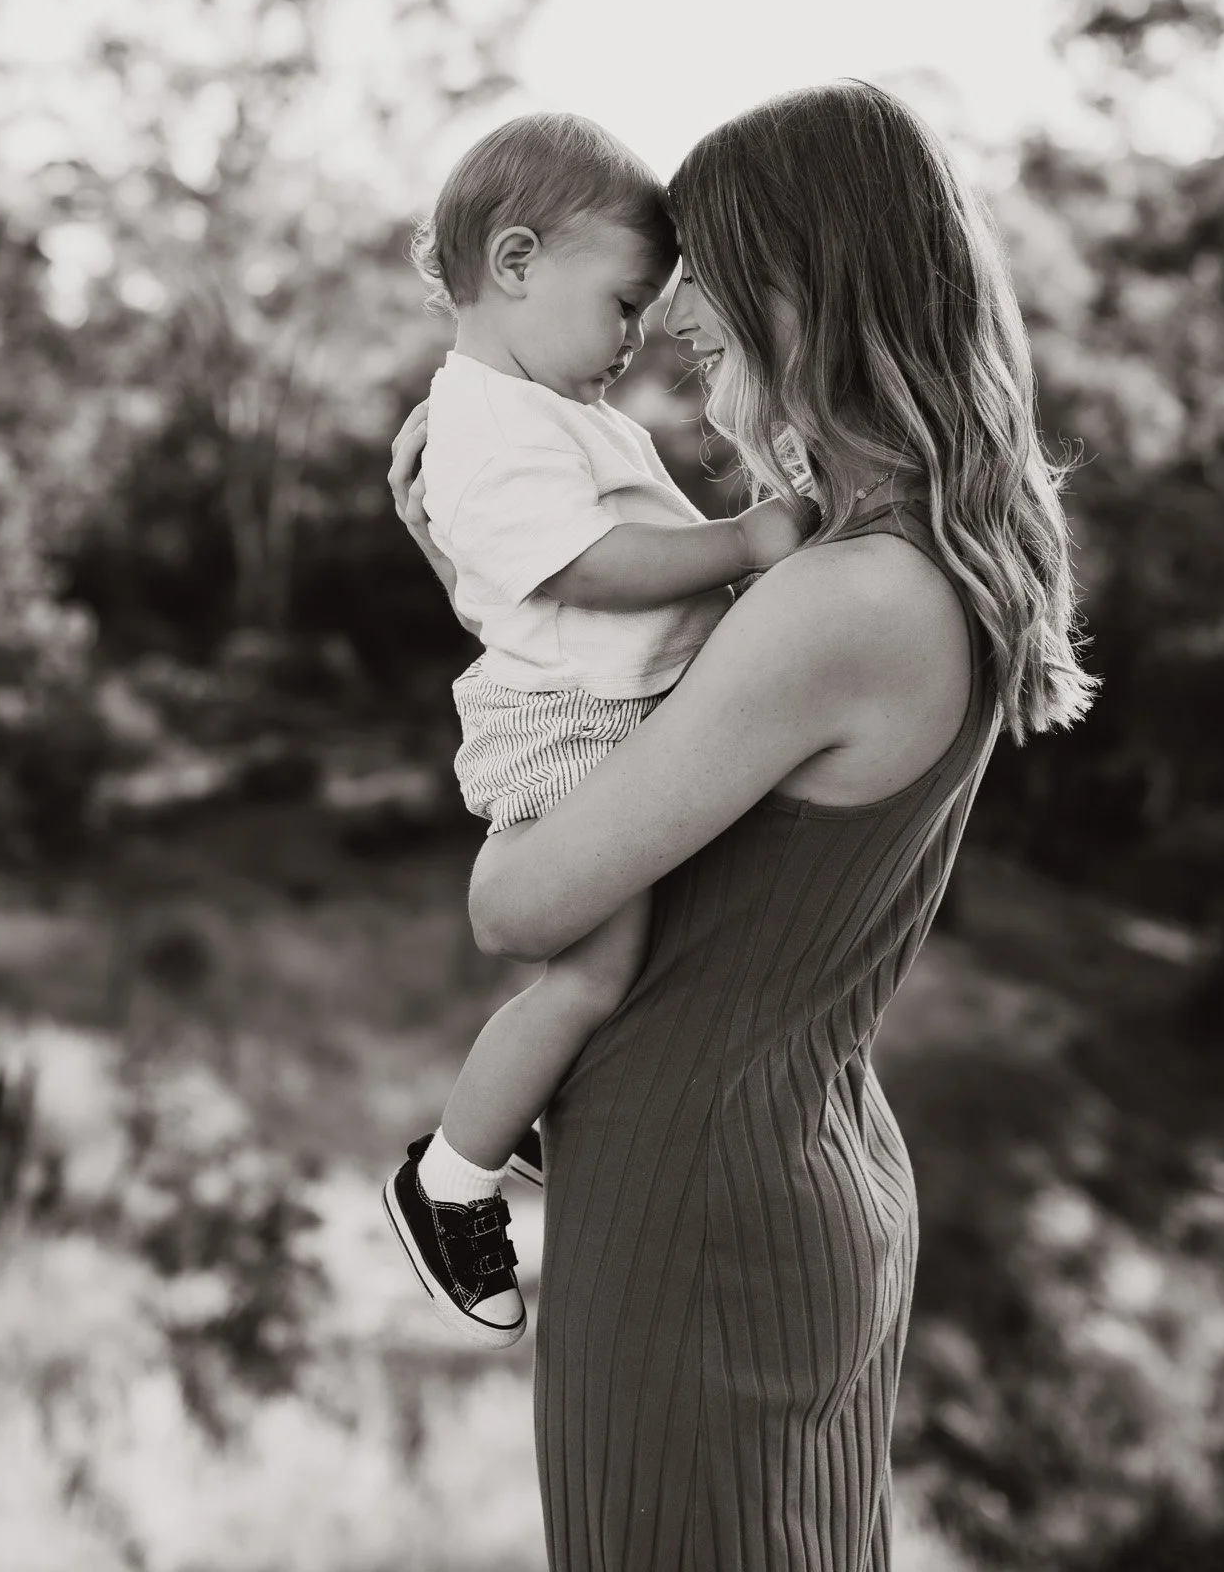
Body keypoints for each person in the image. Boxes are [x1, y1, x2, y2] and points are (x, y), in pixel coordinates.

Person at [389, 82, 1095, 1570]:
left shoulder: (836, 601)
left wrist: (511, 592)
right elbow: (646, 705)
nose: (674, 313)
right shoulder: (904, 568)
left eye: (705, 268)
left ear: (805, 279)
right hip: (784, 1164)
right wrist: (495, 569)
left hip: (697, 1205)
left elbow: (519, 907)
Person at [381, 113, 802, 1349]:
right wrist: (743, 541)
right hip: (569, 724)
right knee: (593, 969)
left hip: (606, 708)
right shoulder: (484, 422)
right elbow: (585, 566)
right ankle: (451, 1177)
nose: (637, 340)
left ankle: (531, 1101)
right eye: (624, 305)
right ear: (516, 262)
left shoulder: (540, 406)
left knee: (625, 962)